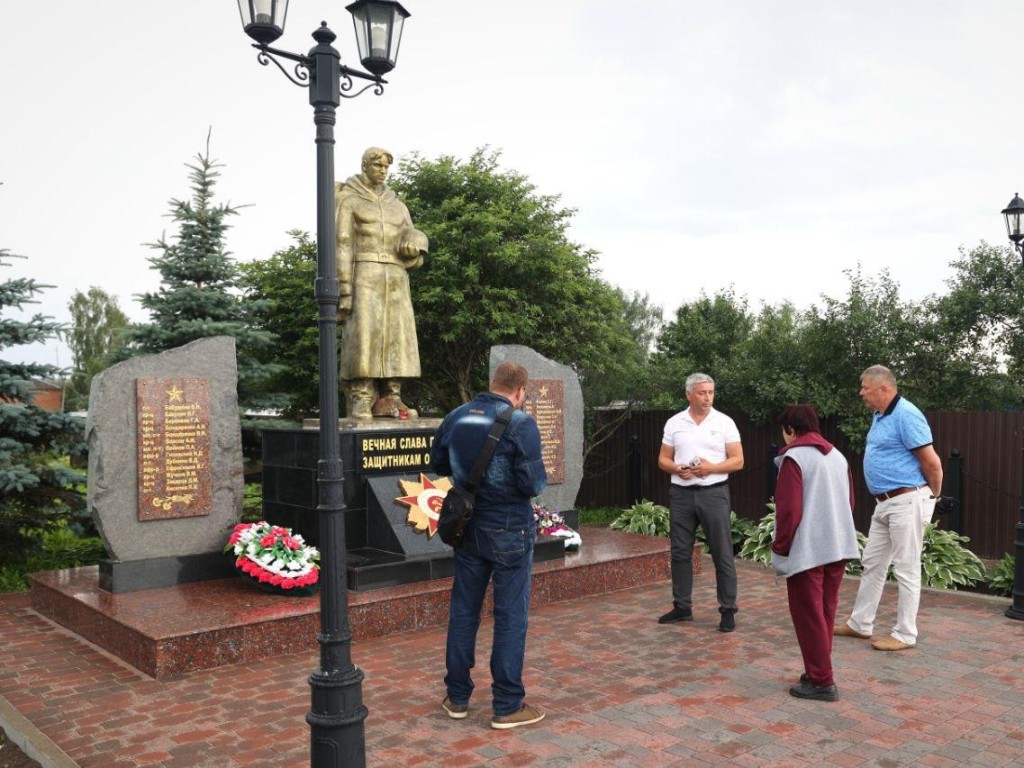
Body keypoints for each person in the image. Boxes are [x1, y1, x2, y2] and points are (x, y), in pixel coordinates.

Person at [430, 362, 548, 729]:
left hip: (468, 528)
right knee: (511, 616)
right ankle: (507, 705)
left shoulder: (456, 416)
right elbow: (533, 484)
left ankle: (458, 698)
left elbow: (437, 464)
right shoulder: (520, 422)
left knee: (464, 611)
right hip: (510, 528)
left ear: (493, 384)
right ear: (519, 390)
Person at [834, 365, 942, 651]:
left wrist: (934, 497)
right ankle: (861, 623)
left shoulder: (907, 415)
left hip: (907, 500)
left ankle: (906, 633)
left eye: (865, 387)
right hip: (885, 503)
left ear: (884, 388)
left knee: (906, 568)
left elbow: (932, 463)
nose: (861, 393)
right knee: (873, 563)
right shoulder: (880, 415)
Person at [771, 405, 860, 702]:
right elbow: (849, 502)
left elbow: (789, 511)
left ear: (790, 430)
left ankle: (822, 680)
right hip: (838, 544)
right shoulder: (837, 456)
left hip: (808, 549)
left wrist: (780, 549)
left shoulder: (794, 457)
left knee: (808, 615)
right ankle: (817, 669)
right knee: (824, 612)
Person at [336, 147, 428, 419]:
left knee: (397, 336)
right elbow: (342, 243)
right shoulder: (350, 201)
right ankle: (362, 397)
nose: (383, 171)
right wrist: (343, 287)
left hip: (397, 277)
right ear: (365, 166)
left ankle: (392, 395)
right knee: (364, 335)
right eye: (378, 166)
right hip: (363, 273)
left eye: (386, 167)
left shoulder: (398, 206)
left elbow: (411, 237)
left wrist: (416, 247)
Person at [657, 372, 744, 631]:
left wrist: (712, 468)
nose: (707, 398)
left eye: (711, 392)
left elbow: (738, 460)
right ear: (689, 394)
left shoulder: (725, 422)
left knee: (722, 552)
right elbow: (663, 459)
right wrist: (676, 468)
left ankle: (728, 610)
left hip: (714, 493)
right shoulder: (675, 423)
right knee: (680, 552)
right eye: (702, 393)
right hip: (681, 494)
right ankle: (682, 607)